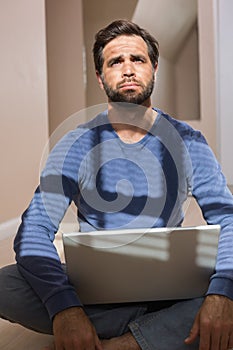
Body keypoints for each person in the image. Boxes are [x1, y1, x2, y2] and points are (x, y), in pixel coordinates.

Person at [1, 19, 233, 350]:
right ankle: (161, 331)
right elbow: (35, 231)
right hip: (96, 289)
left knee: (228, 285)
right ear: (100, 77)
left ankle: (122, 342)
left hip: (171, 284)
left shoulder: (188, 142)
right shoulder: (75, 144)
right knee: (5, 284)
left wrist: (221, 292)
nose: (127, 70)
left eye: (137, 60)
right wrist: (65, 307)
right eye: (115, 62)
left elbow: (228, 219)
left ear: (154, 68)